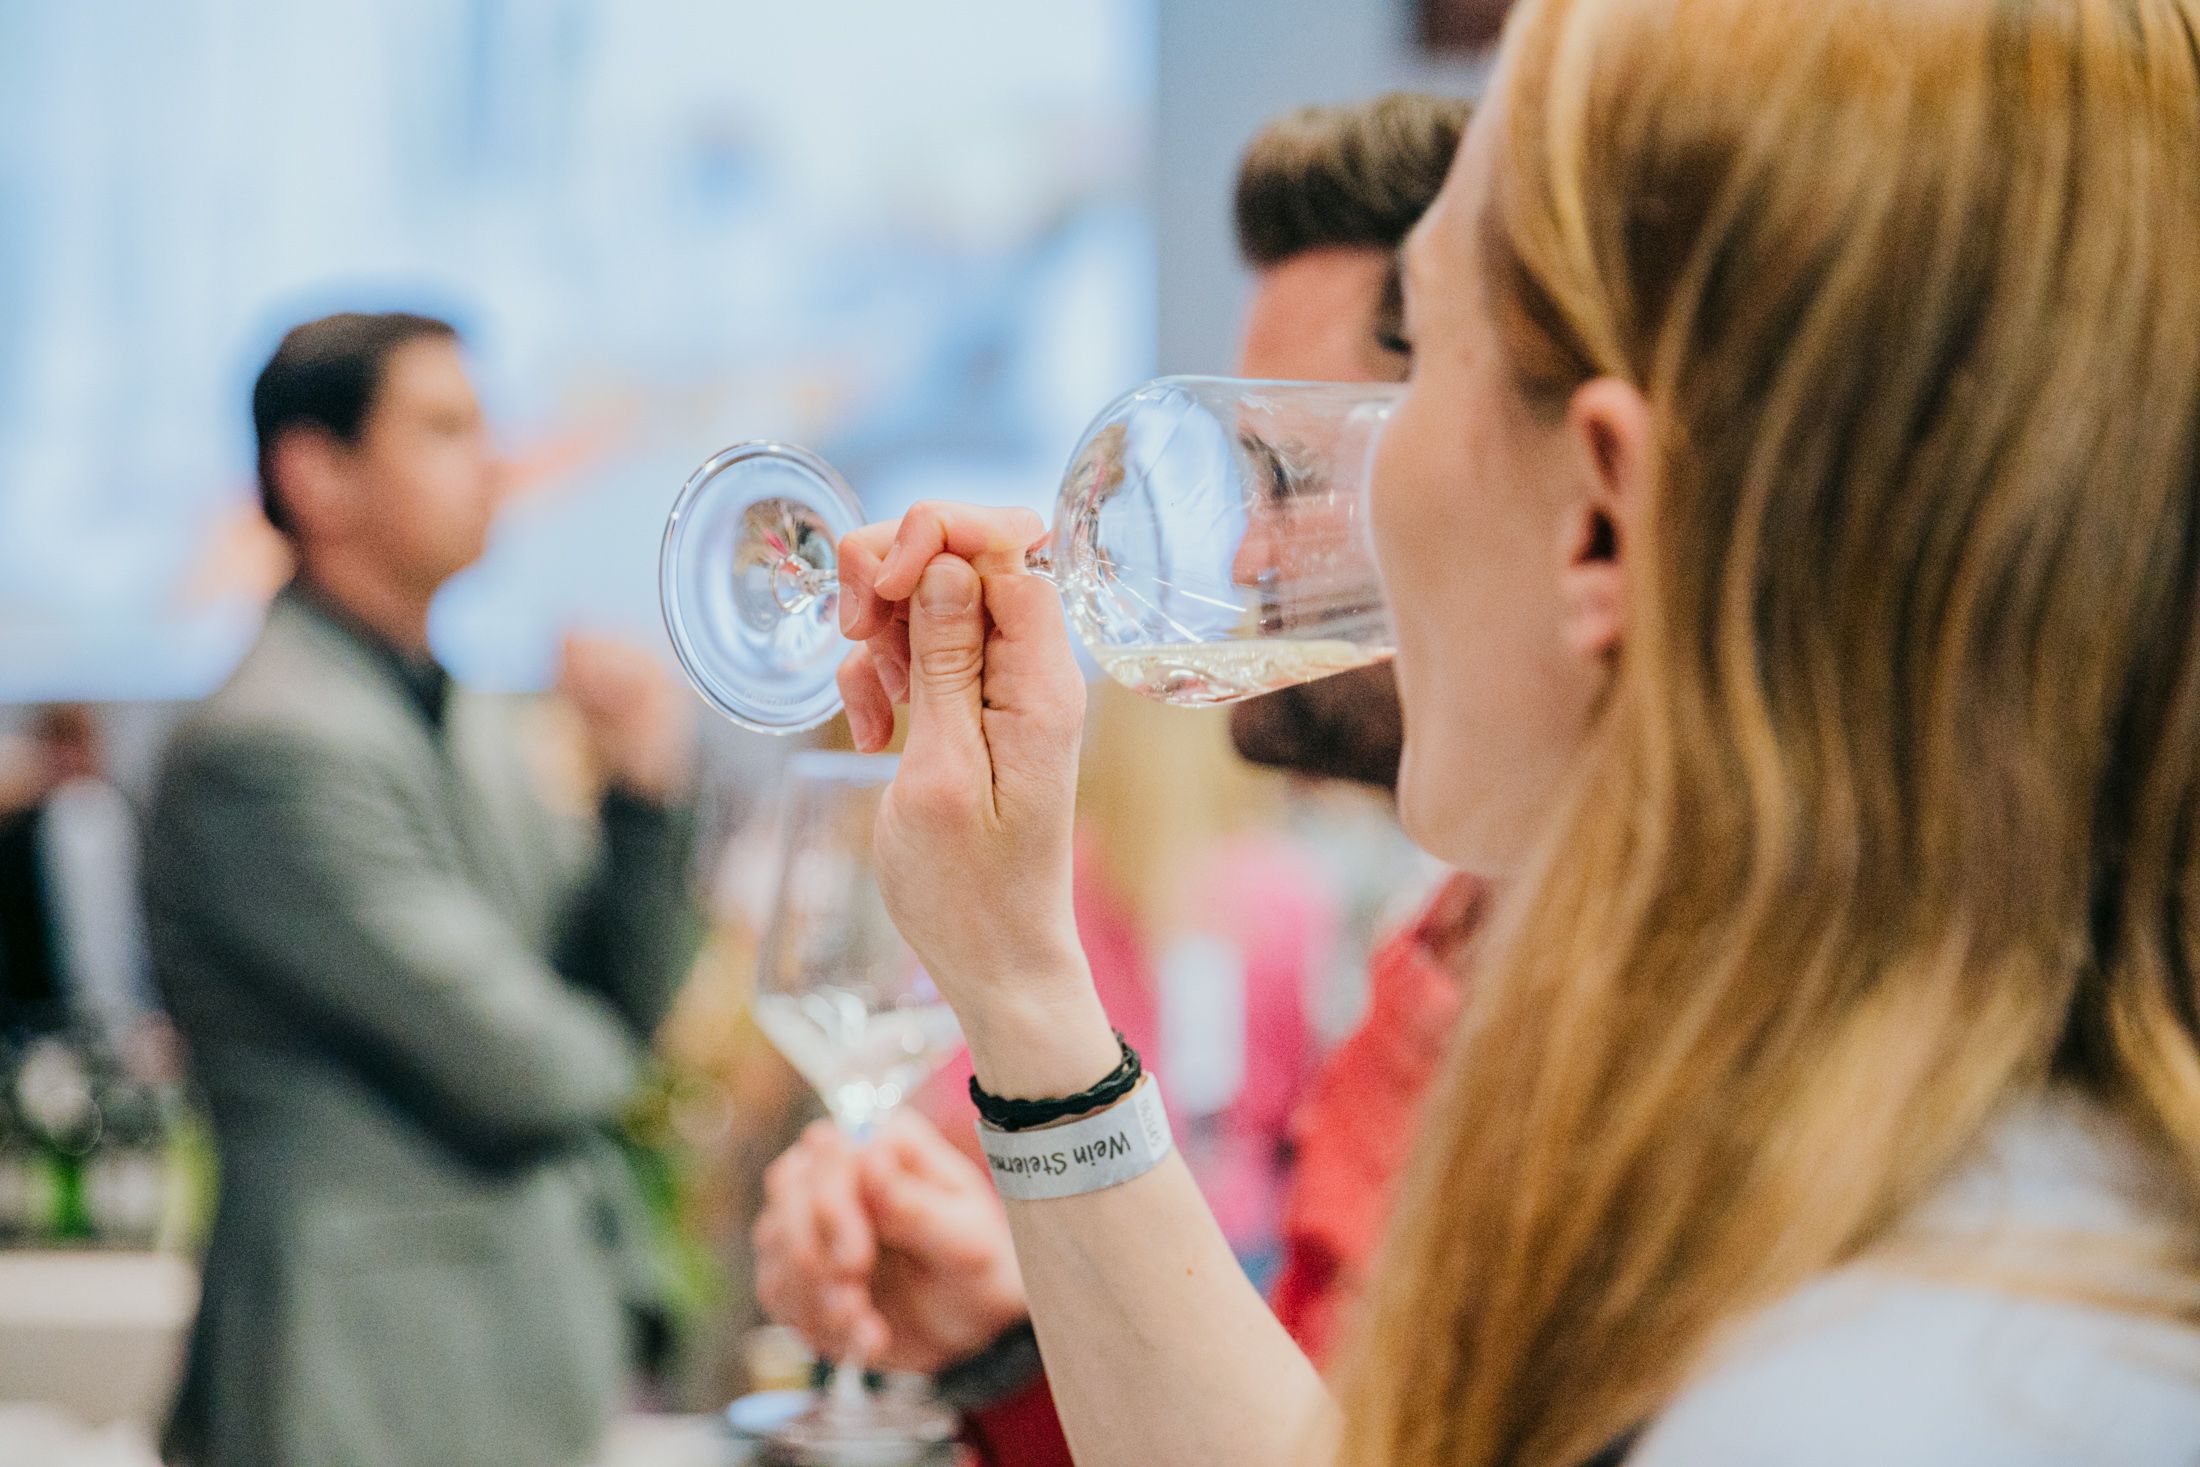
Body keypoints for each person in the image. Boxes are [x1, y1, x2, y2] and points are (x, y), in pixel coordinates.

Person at [828, 0, 2200, 1462]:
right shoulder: (1848, 1153)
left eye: (1402, 395)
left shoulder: (1890, 1379)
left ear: (1602, 515)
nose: (1270, 546)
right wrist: (1020, 981)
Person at [752, 92, 1476, 1462]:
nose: (1248, 560)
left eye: (1286, 468)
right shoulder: (1444, 949)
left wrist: (1023, 983)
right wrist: (1011, 1335)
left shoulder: (1673, 1005)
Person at [144, 311, 703, 1467]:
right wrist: (616, 1065)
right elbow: (530, 1069)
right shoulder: (264, 746)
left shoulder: (475, 720)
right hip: (356, 1385)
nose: (495, 460)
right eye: (445, 427)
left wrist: (644, 802)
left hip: (510, 1363)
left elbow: (617, 998)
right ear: (317, 474)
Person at [0, 705, 155, 1052]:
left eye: (77, 744)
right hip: (43, 1027)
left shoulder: (131, 824)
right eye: (58, 746)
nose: (69, 759)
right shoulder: (17, 839)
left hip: (136, 1018)